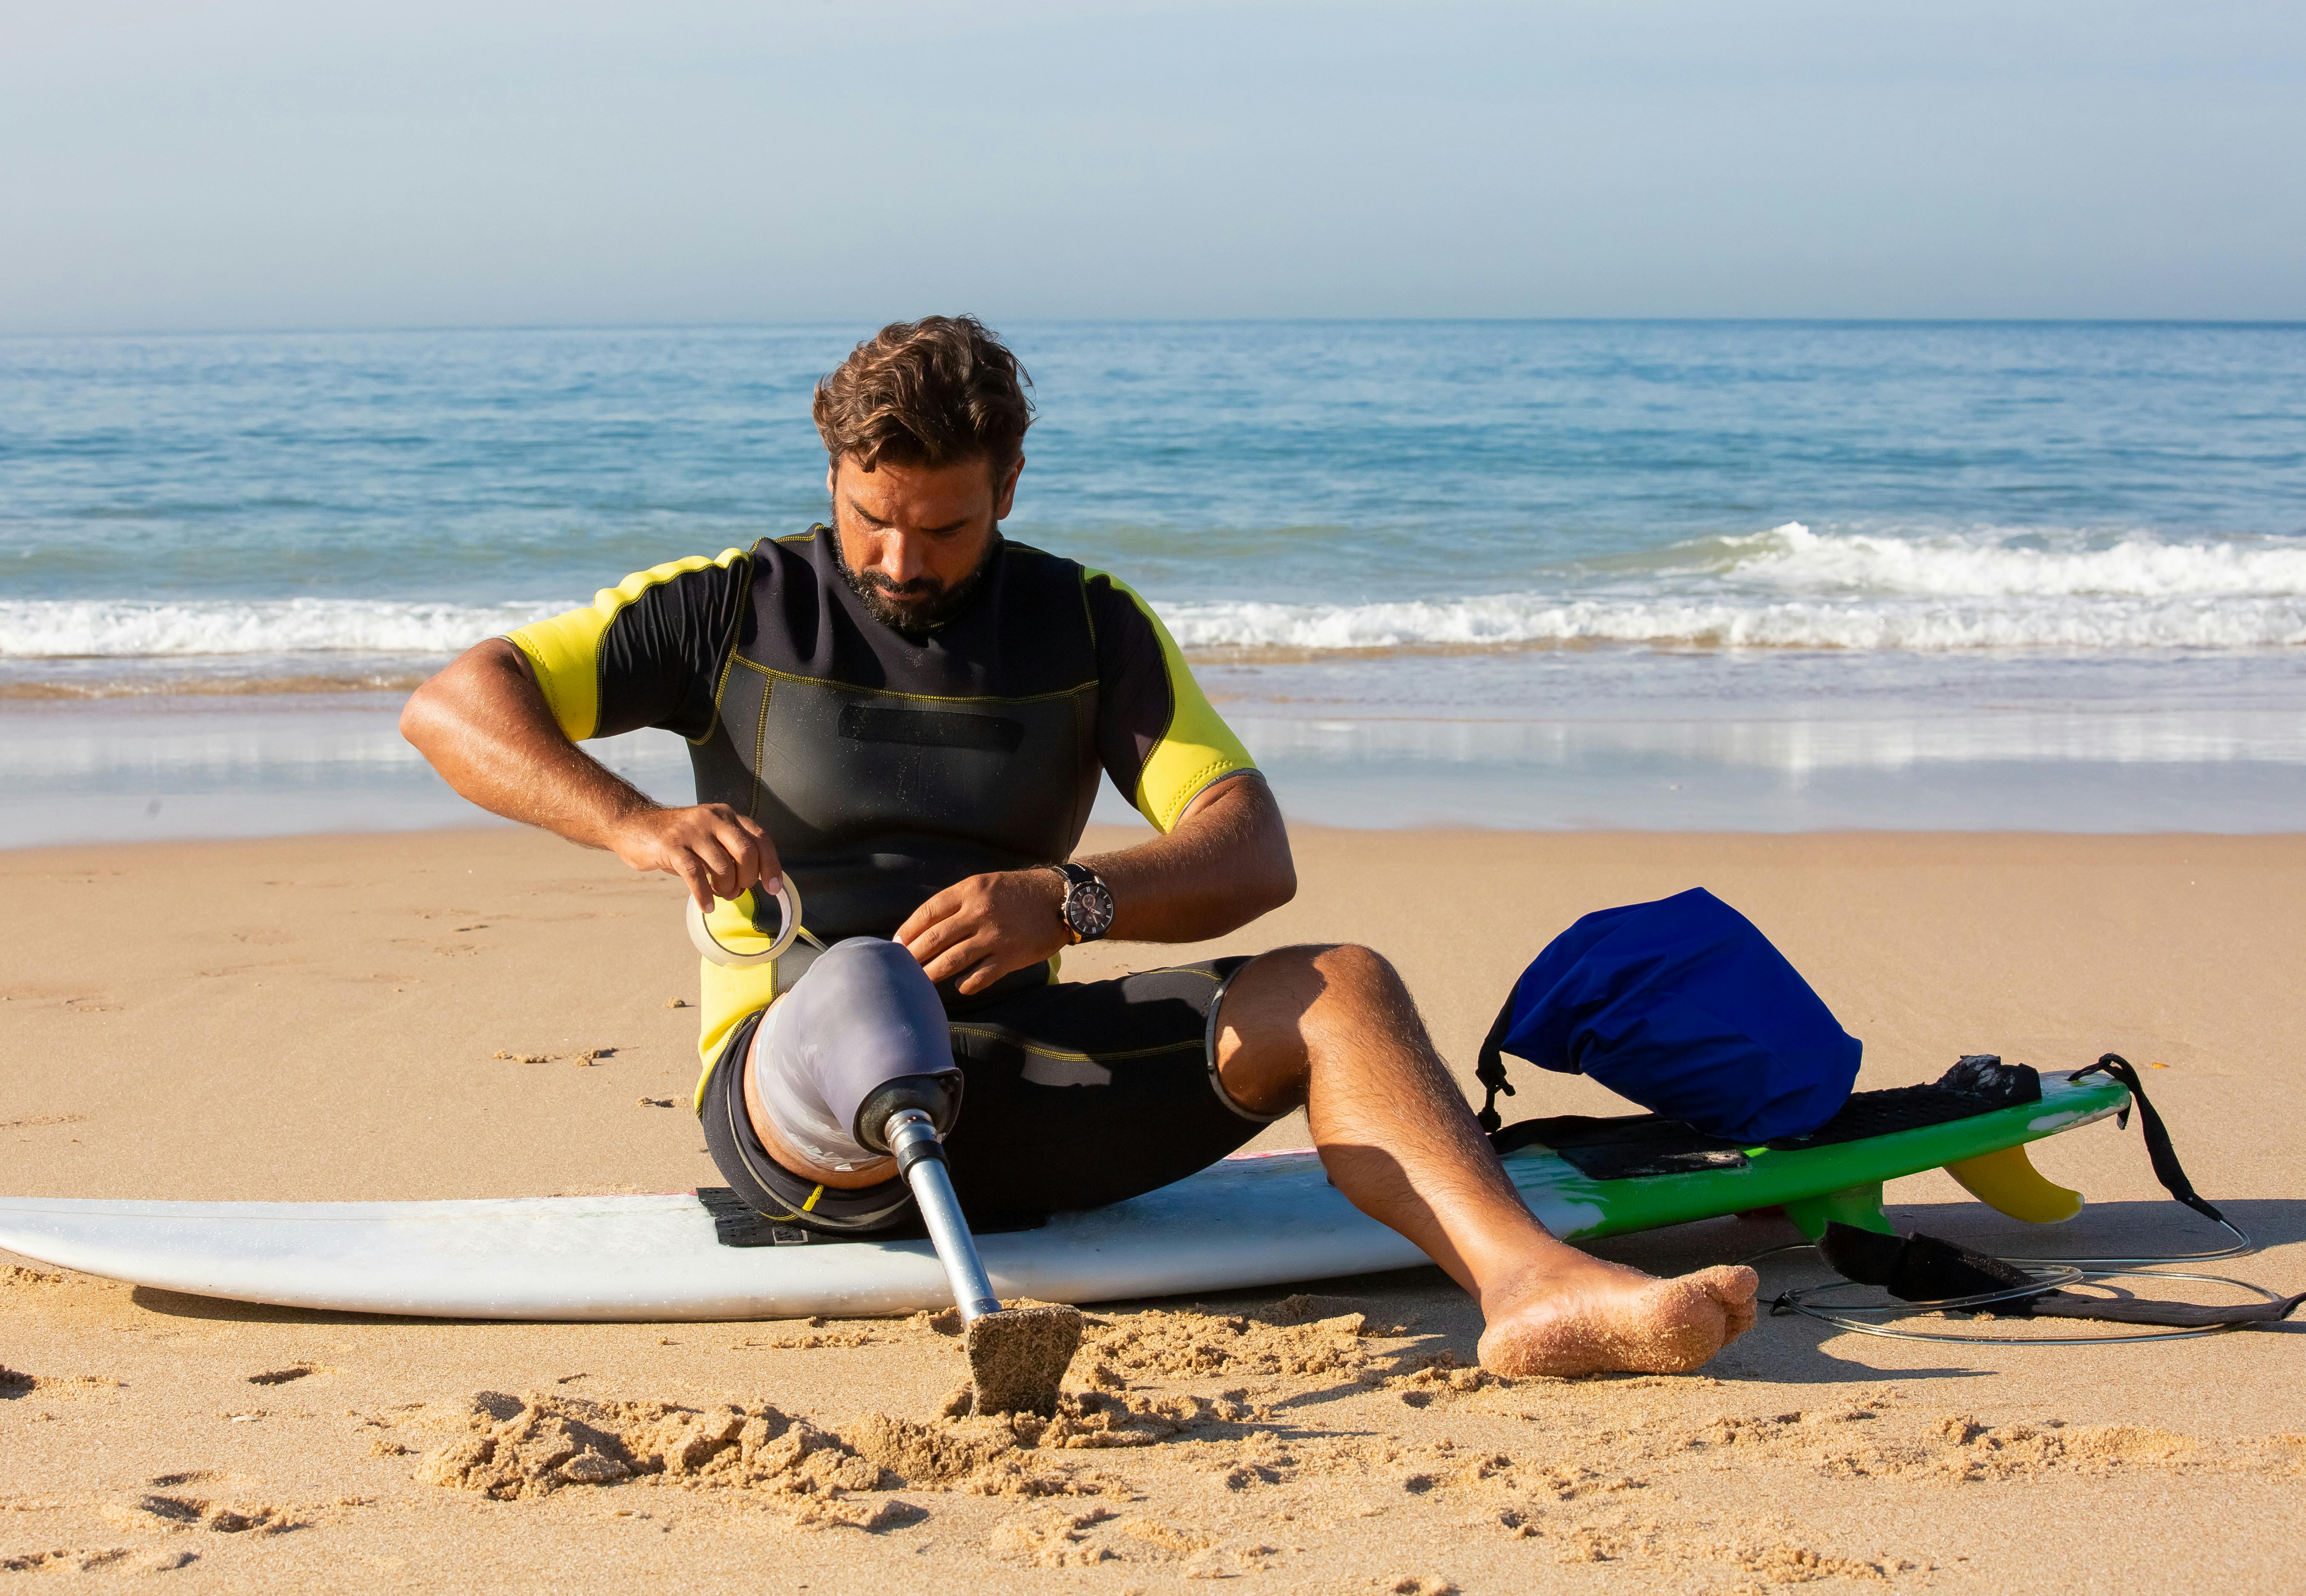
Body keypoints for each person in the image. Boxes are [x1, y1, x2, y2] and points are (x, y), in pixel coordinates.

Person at [400, 315, 1756, 1375]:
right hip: (802, 1118)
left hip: (1030, 1096)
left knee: (1342, 984)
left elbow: (1248, 845)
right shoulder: (729, 611)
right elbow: (457, 703)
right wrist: (636, 821)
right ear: (832, 474)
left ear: (1011, 484)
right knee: (869, 978)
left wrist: (1075, 900)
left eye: (945, 526)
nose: (900, 560)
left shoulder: (1087, 625)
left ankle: (1531, 1290)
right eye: (872, 516)